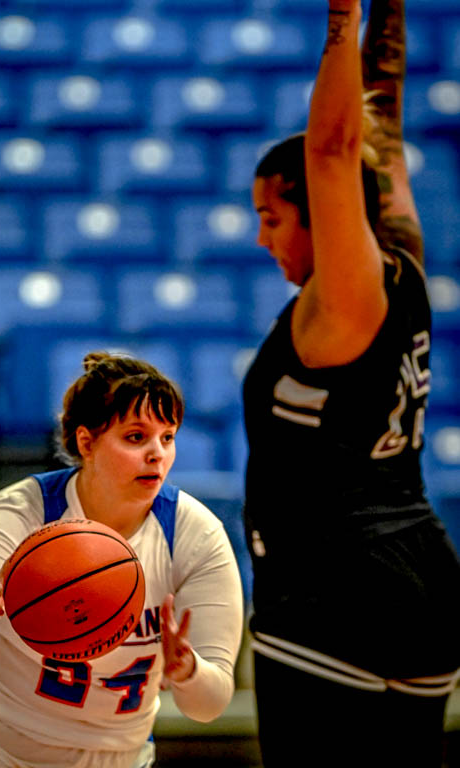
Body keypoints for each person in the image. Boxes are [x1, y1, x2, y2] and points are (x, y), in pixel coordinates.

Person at [242, 1, 460, 766]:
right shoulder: (401, 255)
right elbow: (379, 137)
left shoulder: (344, 299)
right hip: (422, 577)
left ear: (315, 210)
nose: (262, 236)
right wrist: (386, 19)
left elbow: (333, 148)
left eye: (272, 215)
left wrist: (342, 14)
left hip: (334, 587)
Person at [0, 352, 244, 768]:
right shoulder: (22, 514)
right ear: (87, 442)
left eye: (168, 437)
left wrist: (189, 670)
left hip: (117, 755)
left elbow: (208, 707)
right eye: (136, 437)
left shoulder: (195, 535)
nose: (157, 453)